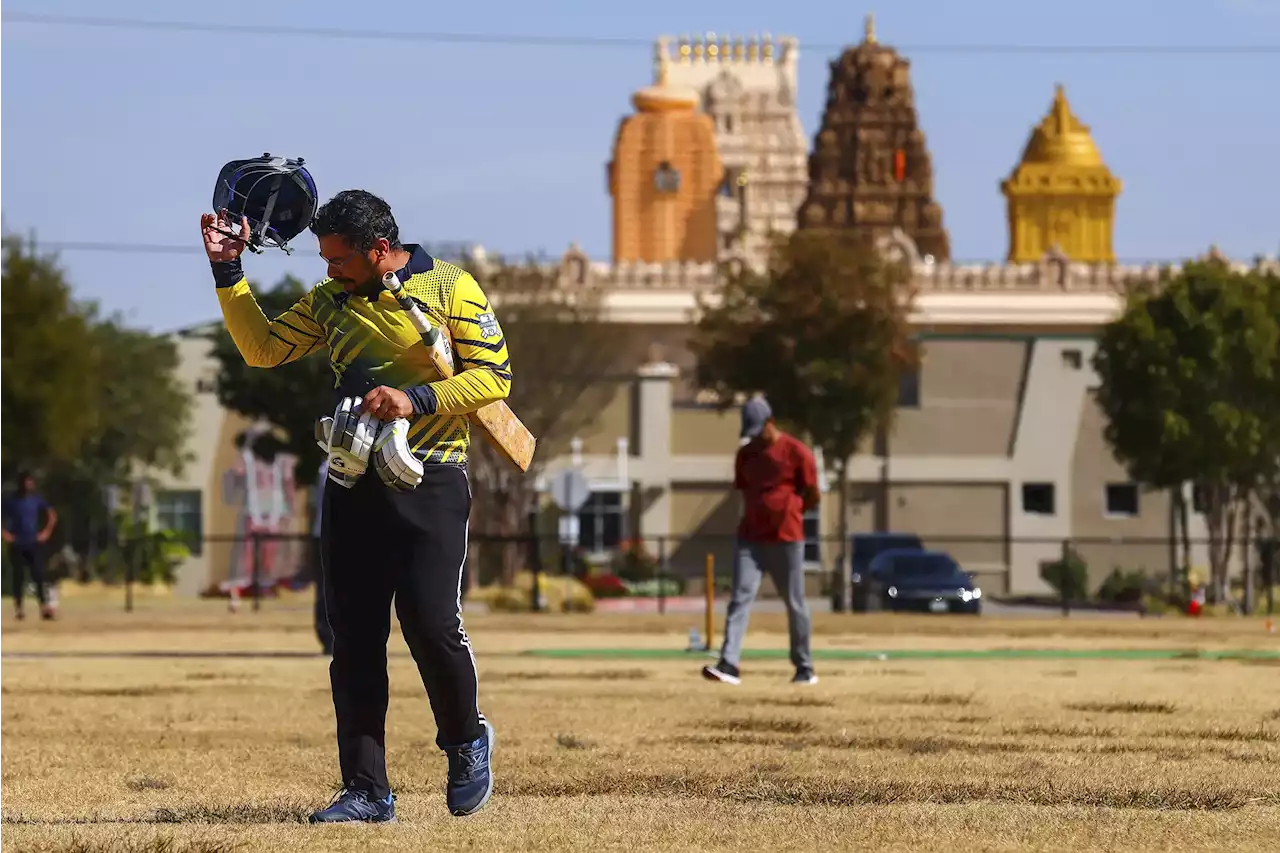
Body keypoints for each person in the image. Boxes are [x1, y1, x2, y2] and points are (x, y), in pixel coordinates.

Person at [201, 189, 509, 823]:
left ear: (378, 251)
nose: (327, 269)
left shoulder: (453, 289)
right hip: (352, 482)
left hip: (433, 478)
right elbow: (261, 349)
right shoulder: (329, 301)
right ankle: (367, 790)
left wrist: (415, 400)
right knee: (355, 640)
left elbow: (493, 380)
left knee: (430, 624)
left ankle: (465, 740)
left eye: (337, 259)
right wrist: (228, 271)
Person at [702, 395, 819, 686]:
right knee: (740, 598)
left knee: (795, 603)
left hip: (787, 539)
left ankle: (804, 666)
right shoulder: (745, 455)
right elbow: (744, 490)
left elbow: (813, 492)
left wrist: (793, 512)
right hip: (750, 539)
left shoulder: (797, 452)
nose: (755, 439)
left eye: (758, 431)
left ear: (770, 422)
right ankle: (729, 664)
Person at [0, 471, 59, 621]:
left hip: (34, 542)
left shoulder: (36, 499)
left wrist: (46, 532)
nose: (29, 484)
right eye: (26, 481)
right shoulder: (11, 500)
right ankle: (19, 609)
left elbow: (51, 515)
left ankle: (44, 607)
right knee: (18, 576)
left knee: (39, 575)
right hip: (17, 543)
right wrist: (5, 534)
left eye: (31, 482)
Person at [310, 459, 334, 656]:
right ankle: (328, 638)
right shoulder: (328, 467)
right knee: (326, 590)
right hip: (327, 534)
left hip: (328, 533)